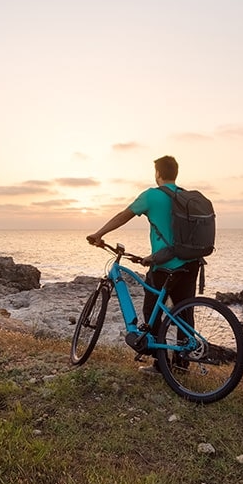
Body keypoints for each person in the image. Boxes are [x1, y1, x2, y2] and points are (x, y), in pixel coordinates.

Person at [86, 155, 200, 373]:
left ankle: (160, 364)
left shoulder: (152, 196)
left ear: (157, 174)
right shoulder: (186, 197)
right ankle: (182, 363)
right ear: (175, 173)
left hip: (165, 266)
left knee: (152, 312)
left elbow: (123, 216)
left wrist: (99, 233)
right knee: (184, 313)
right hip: (191, 263)